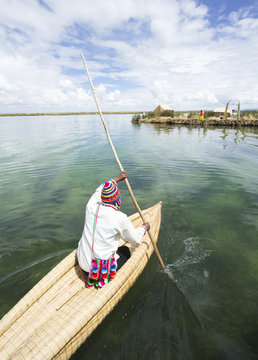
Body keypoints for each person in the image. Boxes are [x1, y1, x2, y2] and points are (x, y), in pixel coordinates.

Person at [77, 171, 150, 289]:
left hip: (82, 263)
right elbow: (135, 238)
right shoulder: (119, 217)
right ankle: (101, 278)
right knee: (125, 251)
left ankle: (86, 275)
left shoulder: (90, 206)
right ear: (117, 199)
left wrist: (116, 179)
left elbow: (98, 190)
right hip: (96, 271)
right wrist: (144, 228)